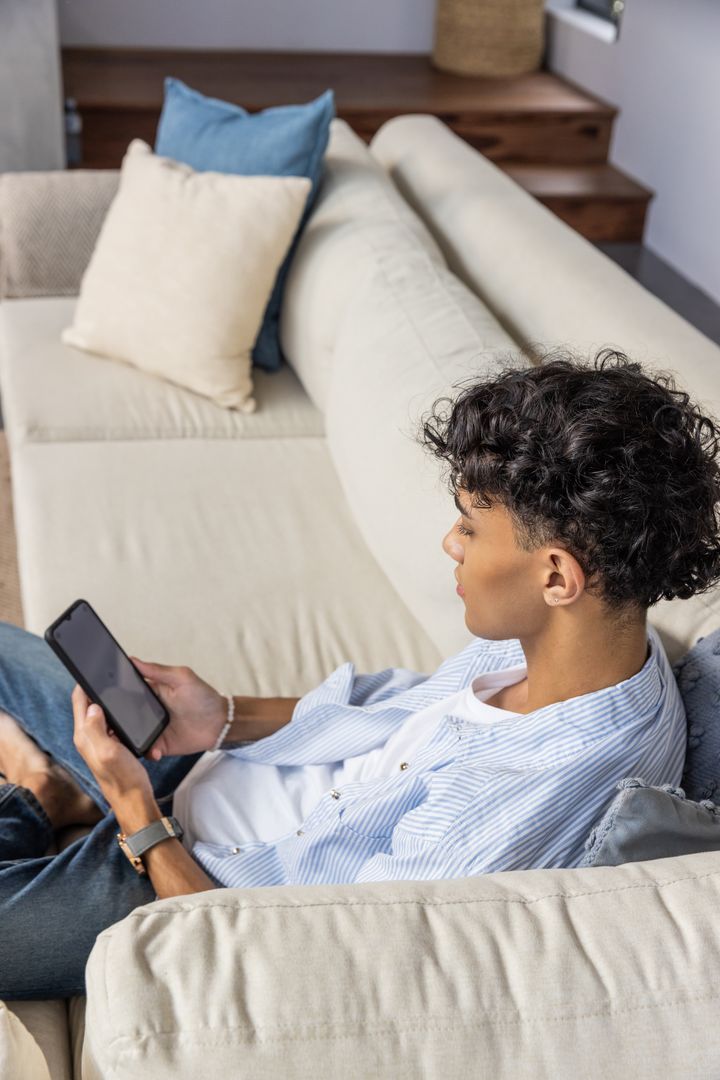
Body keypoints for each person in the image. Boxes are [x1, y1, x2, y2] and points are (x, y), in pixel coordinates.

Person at [1, 347, 719, 1000]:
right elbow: (391, 717)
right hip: (206, 762)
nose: (450, 542)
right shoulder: (597, 649)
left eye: (470, 524)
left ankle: (39, 799)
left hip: (177, 871)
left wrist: (132, 806)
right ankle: (70, 794)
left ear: (557, 575)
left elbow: (257, 953)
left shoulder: (510, 807)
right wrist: (219, 715)